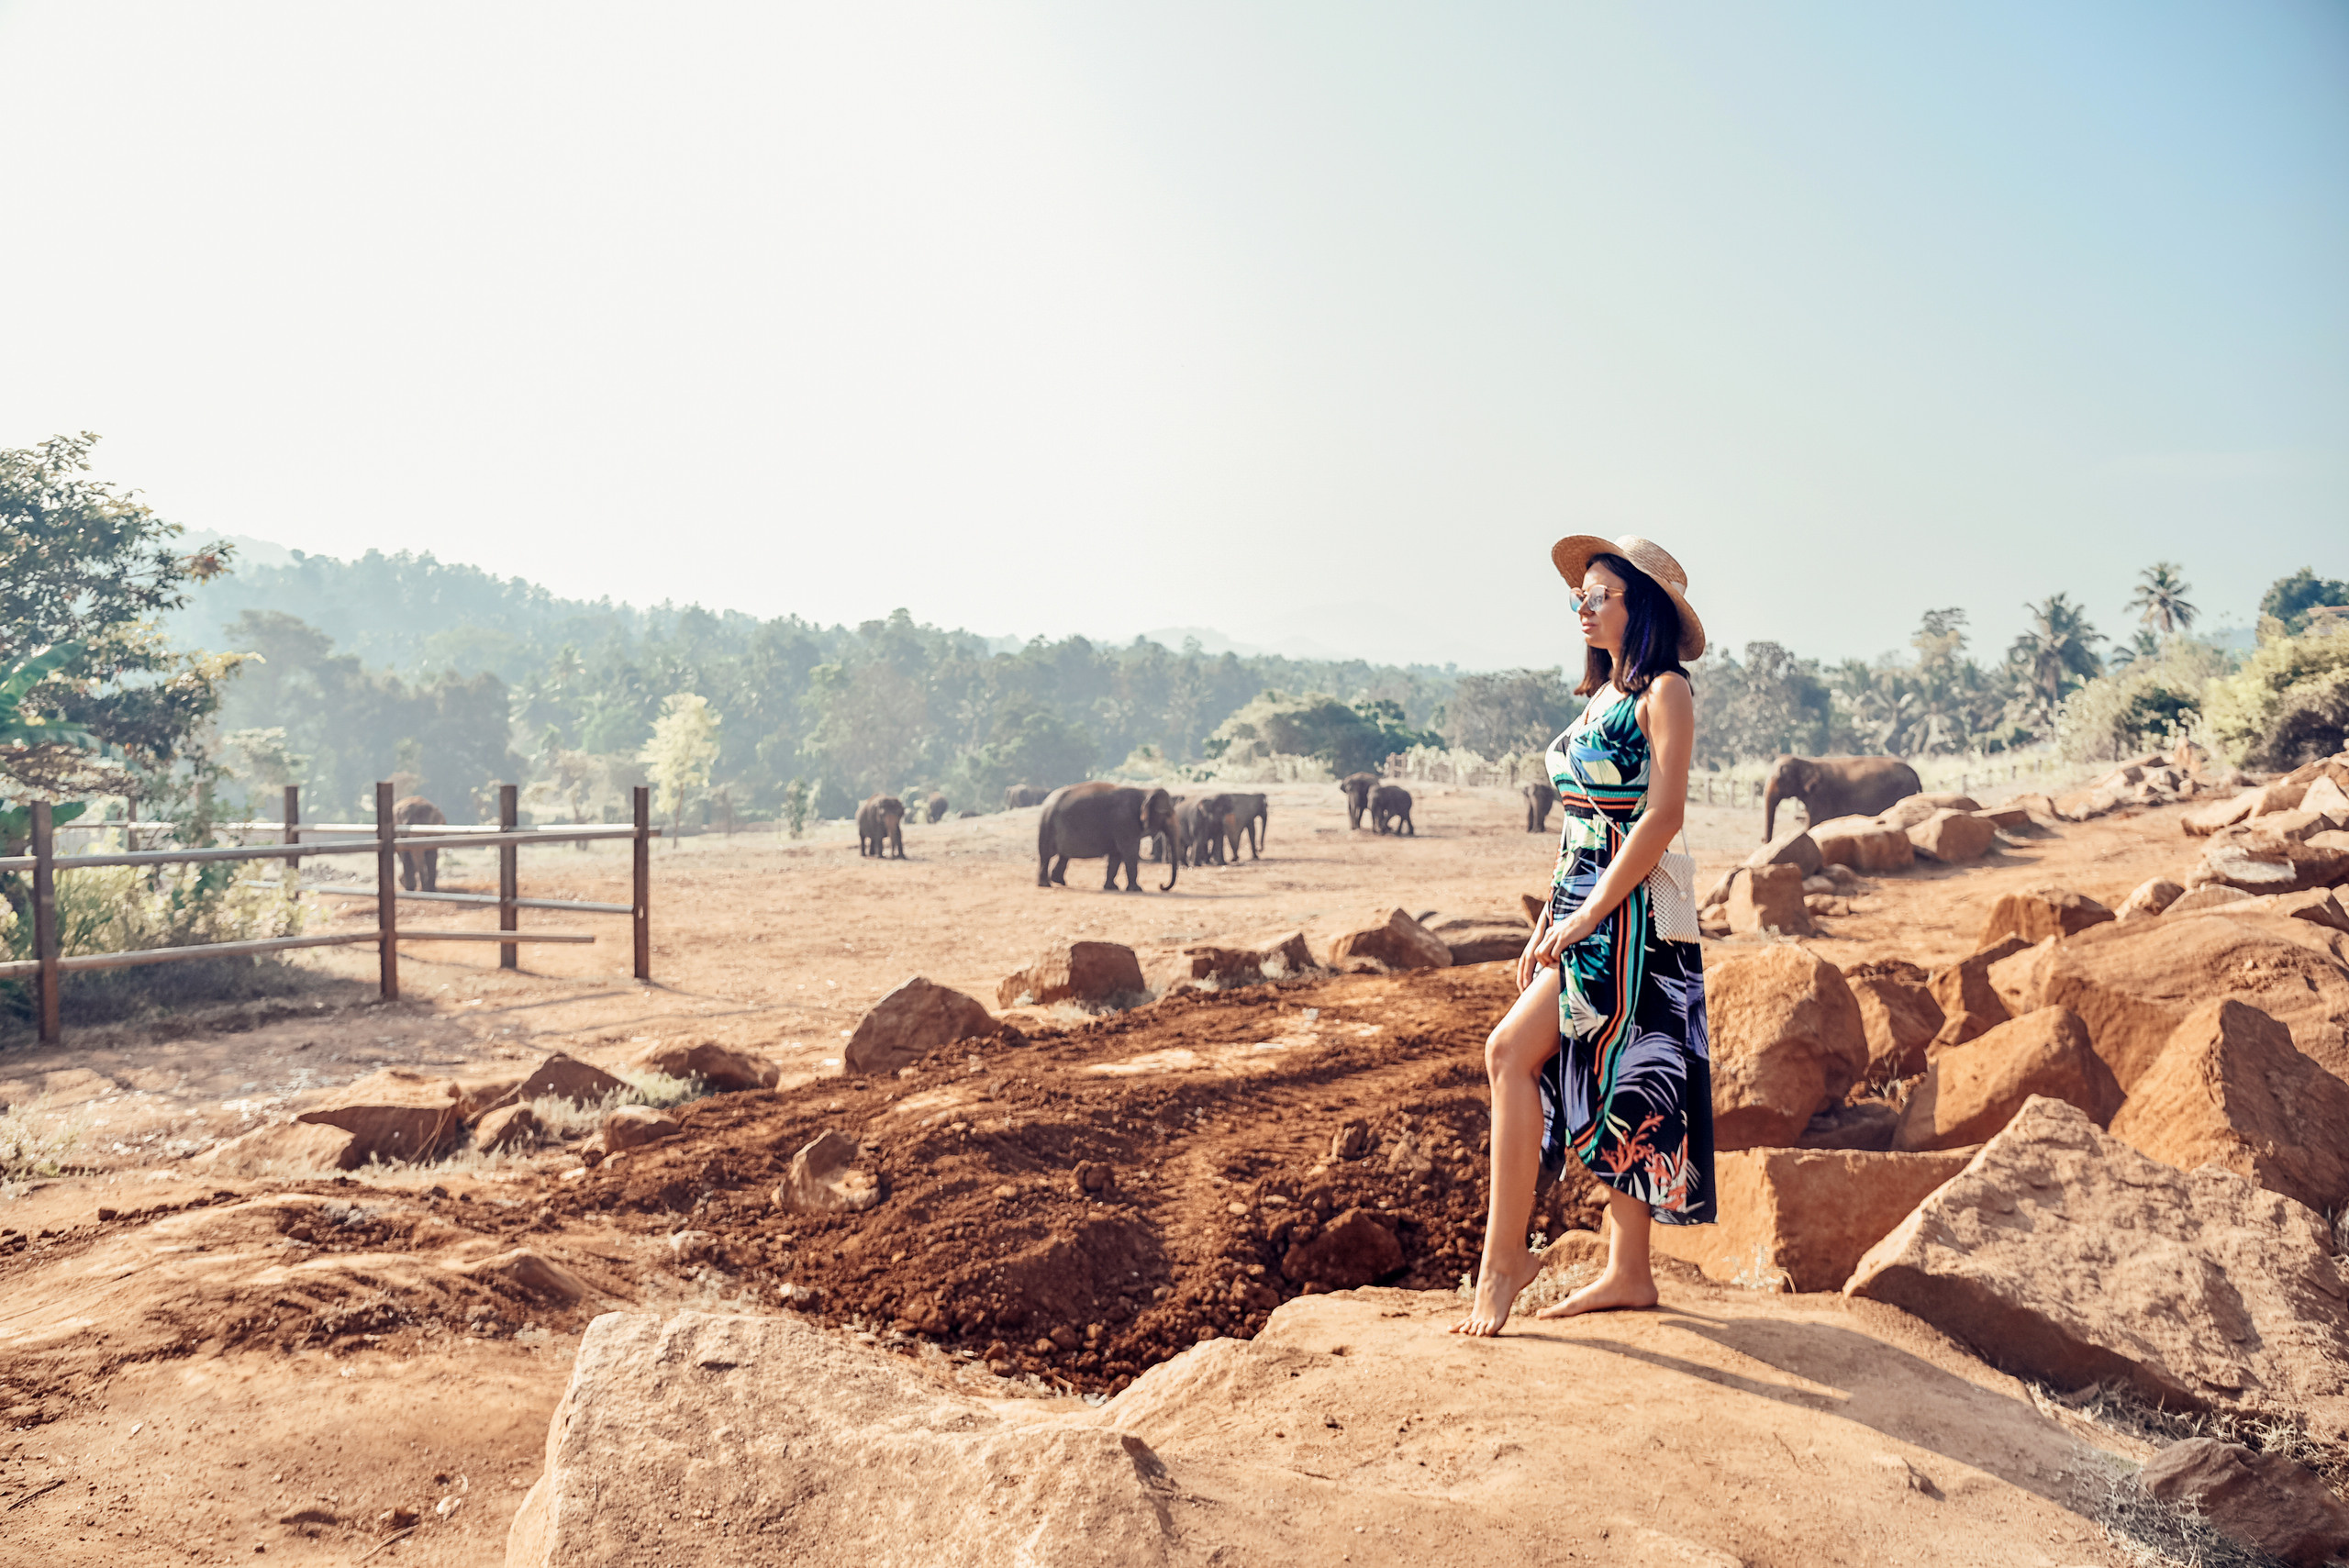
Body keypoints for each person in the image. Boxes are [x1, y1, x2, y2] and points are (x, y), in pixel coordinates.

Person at [1452, 534, 1716, 1336]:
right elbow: (1578, 827)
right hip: (1580, 903)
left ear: (1643, 607)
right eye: (1580, 596)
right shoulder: (1598, 698)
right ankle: (1628, 1271)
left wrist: (1585, 917)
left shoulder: (1665, 692)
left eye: (1599, 595)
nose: (1582, 607)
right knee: (1616, 1078)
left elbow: (1661, 817)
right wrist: (1547, 918)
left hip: (1630, 917)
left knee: (1510, 1051)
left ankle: (1505, 1259)